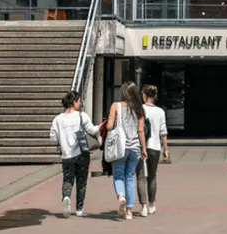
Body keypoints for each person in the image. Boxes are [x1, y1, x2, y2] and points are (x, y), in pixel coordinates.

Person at [49, 90, 100, 218]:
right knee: (81, 181)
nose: (80, 103)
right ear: (74, 102)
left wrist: (63, 137)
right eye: (78, 101)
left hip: (66, 155)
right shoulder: (81, 116)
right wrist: (101, 126)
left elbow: (53, 138)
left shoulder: (57, 119)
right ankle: (79, 209)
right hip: (81, 153)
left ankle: (66, 197)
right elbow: (92, 130)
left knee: (67, 179)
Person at [102, 81, 147, 219]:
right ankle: (129, 211)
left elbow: (109, 126)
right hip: (134, 148)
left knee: (118, 176)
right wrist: (143, 148)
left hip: (119, 148)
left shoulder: (115, 106)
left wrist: (107, 123)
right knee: (129, 178)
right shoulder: (139, 109)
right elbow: (140, 131)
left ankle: (121, 196)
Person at [137, 84, 169, 217]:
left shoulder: (139, 109)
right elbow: (163, 132)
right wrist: (165, 149)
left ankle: (143, 206)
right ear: (155, 96)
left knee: (140, 176)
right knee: (152, 175)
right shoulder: (160, 112)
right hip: (155, 147)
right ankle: (151, 205)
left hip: (140, 146)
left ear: (144, 95)